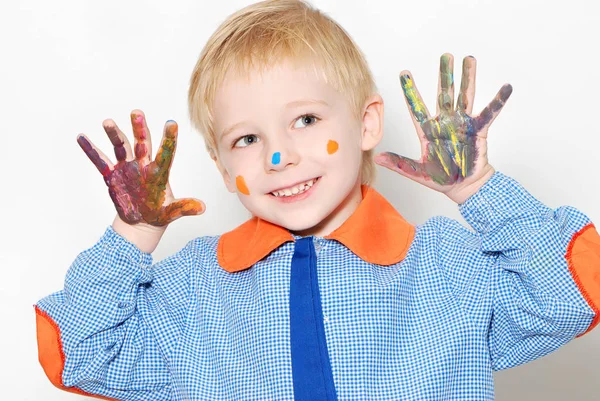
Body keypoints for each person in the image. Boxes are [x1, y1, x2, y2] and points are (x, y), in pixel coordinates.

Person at [34, 0, 600, 400]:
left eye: (305, 119)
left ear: (366, 124)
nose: (278, 157)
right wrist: (130, 236)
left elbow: (572, 292)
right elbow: (79, 353)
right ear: (222, 166)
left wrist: (479, 190)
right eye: (247, 139)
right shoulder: (195, 292)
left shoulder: (442, 268)